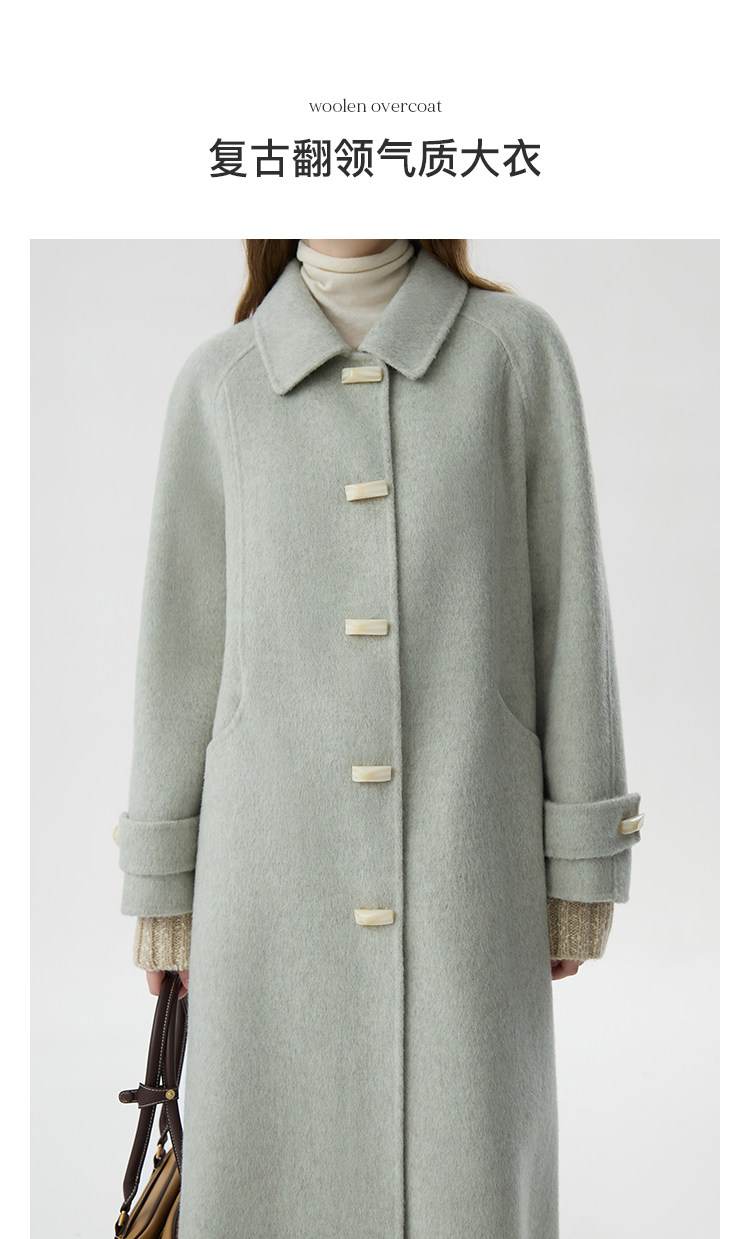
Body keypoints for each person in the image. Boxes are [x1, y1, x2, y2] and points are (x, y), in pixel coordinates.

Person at [115, 239, 643, 1239]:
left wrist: (581, 868)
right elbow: (177, 657)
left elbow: (571, 613)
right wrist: (164, 898)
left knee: (469, 1177)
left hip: (468, 872)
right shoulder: (221, 384)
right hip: (265, 890)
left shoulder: (513, 356)